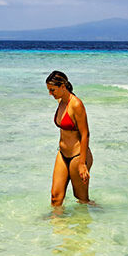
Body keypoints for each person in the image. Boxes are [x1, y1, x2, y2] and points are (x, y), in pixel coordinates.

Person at [46, 70, 93, 209]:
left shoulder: (76, 104)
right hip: (62, 154)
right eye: (49, 90)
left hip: (77, 156)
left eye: (52, 90)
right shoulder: (60, 101)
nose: (50, 94)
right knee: (55, 197)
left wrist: (82, 163)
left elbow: (85, 134)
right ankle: (56, 221)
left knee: (82, 199)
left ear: (63, 86)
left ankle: (98, 217)